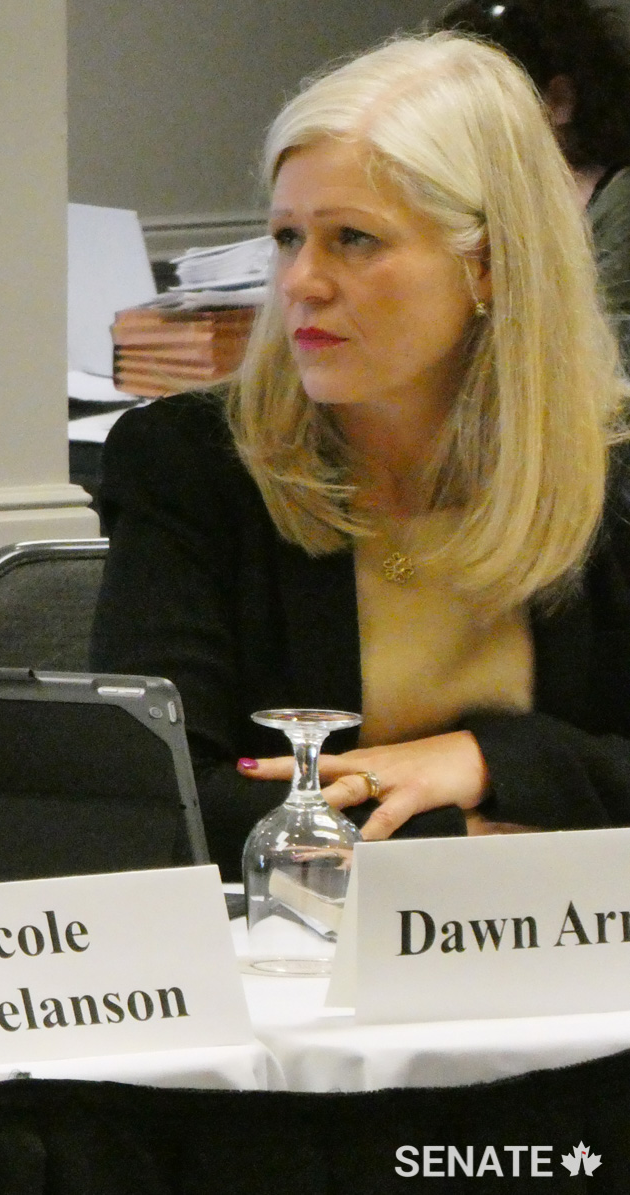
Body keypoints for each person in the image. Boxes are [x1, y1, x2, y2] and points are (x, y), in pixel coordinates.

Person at [89, 33, 630, 879]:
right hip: (292, 941)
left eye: (352, 238)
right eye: (286, 237)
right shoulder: (189, 462)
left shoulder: (608, 466)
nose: (299, 282)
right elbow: (160, 797)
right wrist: (461, 842)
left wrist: (485, 758)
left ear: (489, 263)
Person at [436, 0, 630, 364]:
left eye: (481, 105)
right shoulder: (469, 191)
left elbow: (605, 355)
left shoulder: (618, 204)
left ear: (558, 102)